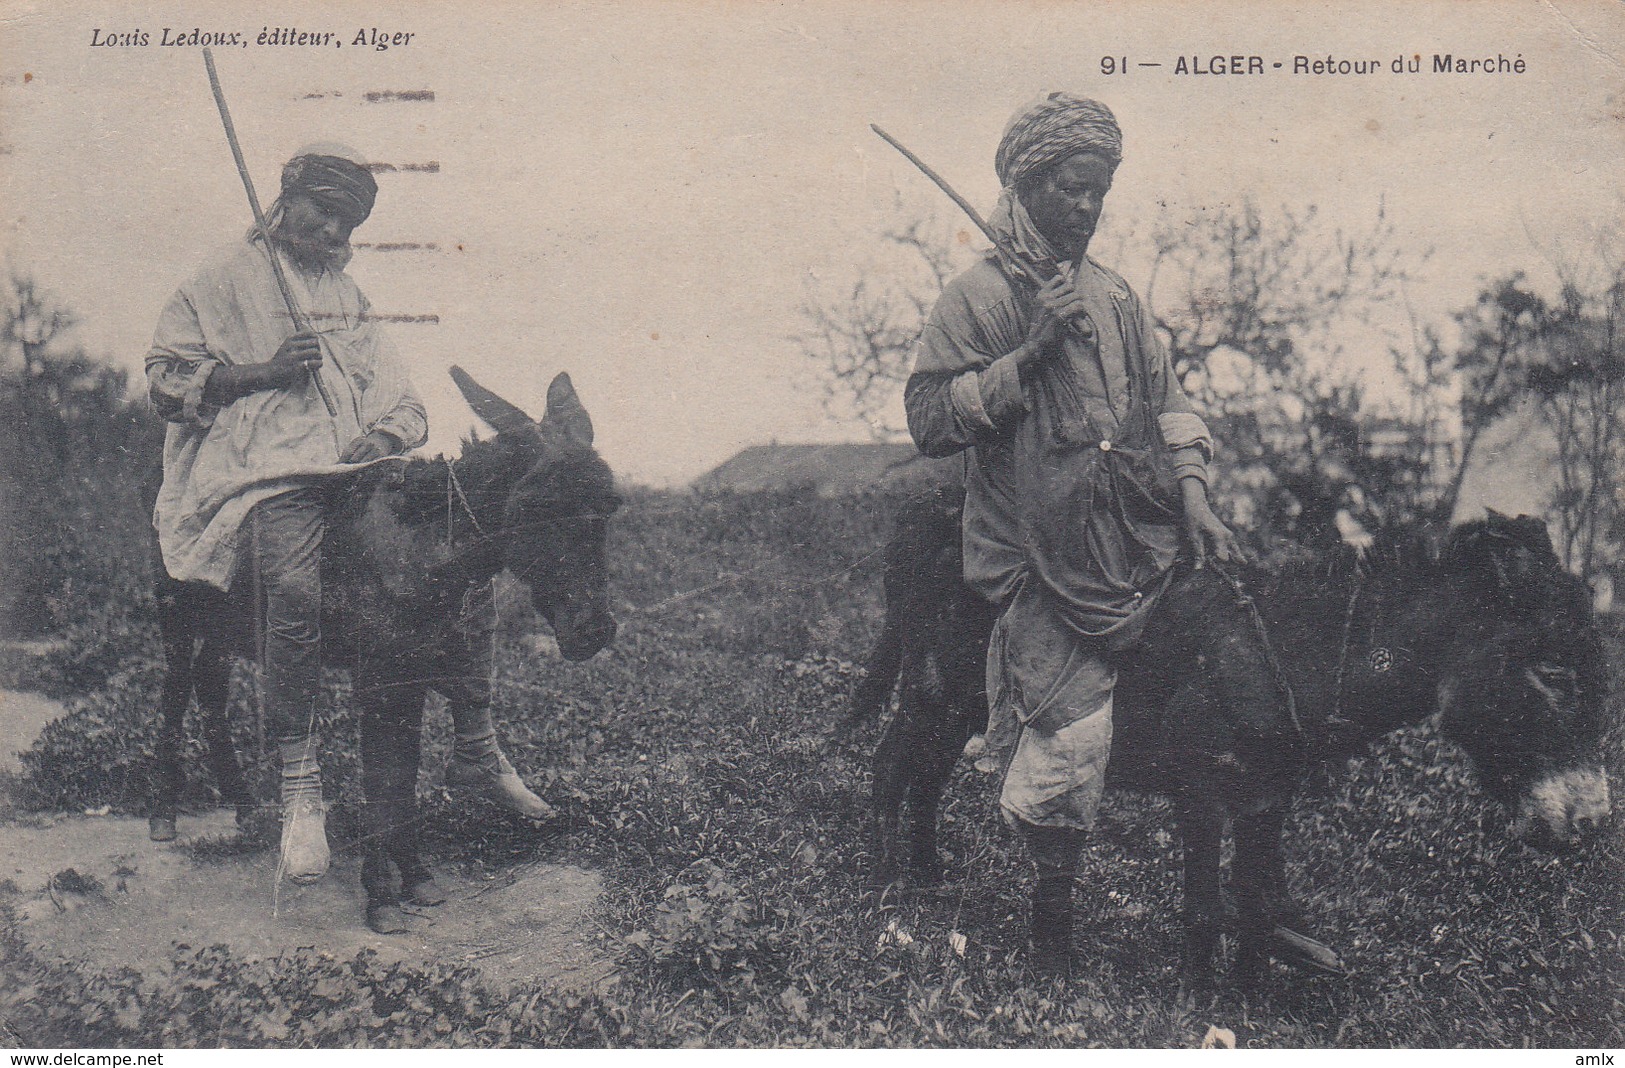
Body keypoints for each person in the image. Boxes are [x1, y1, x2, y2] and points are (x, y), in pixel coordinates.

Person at [146, 143, 553, 888]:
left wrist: (384, 433)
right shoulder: (220, 279)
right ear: (286, 198)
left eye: (350, 223)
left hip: (358, 469)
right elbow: (167, 388)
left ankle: (478, 744)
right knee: (294, 590)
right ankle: (301, 788)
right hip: (265, 472)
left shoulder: (348, 297)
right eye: (326, 214)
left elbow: (404, 398)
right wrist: (261, 371)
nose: (338, 235)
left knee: (461, 562)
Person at [903, 95, 1243, 973]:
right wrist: (1030, 353)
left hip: (1139, 542)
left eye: (1100, 191)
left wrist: (1196, 495)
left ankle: (1226, 913)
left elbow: (1167, 405)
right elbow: (930, 420)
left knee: (1230, 678)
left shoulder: (1118, 299)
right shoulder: (978, 297)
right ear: (1026, 184)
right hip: (1035, 556)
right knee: (1075, 732)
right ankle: (1051, 942)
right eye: (1070, 189)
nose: (1087, 209)